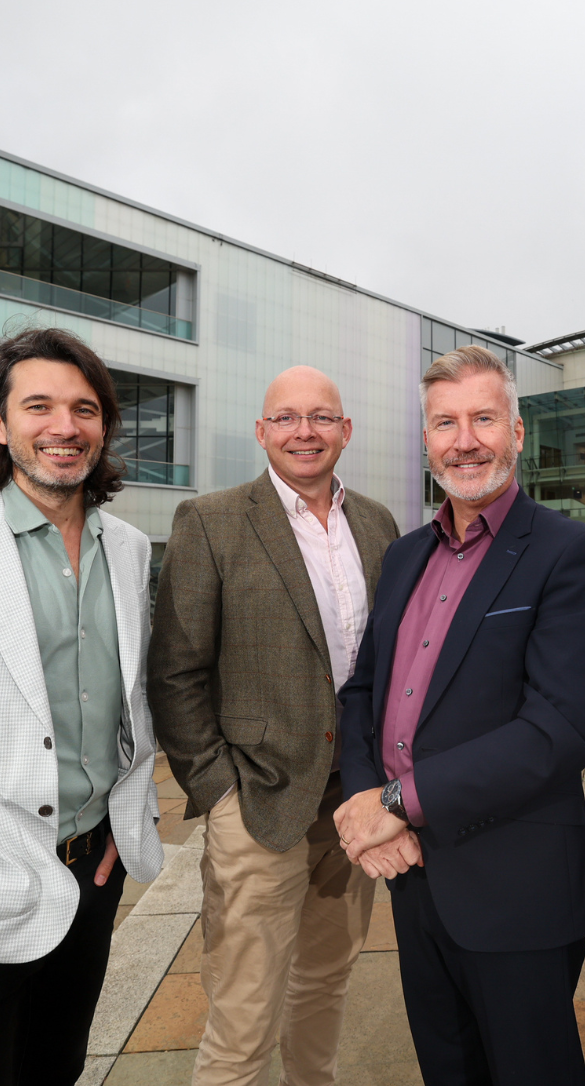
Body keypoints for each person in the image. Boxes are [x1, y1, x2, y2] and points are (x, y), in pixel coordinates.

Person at [334, 346, 585, 1086]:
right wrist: (363, 798)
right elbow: (364, 691)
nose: (464, 440)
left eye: (483, 419)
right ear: (426, 440)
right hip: (415, 878)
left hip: (514, 884)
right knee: (447, 1067)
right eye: (445, 423)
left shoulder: (570, 553)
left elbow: (558, 728)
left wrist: (397, 802)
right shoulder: (403, 557)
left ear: (517, 433)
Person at [147, 365, 400, 1086]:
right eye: (285, 418)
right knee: (244, 1008)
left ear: (345, 431)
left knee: (325, 981)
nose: (304, 432)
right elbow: (176, 671)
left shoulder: (377, 524)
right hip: (257, 801)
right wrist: (218, 791)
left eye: (321, 417)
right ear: (262, 432)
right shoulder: (211, 520)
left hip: (354, 801)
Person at [0, 327, 163, 1086]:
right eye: (39, 406)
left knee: (54, 1070)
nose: (64, 426)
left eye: (84, 408)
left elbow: (133, 695)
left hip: (91, 874)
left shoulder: (128, 549)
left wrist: (128, 822)